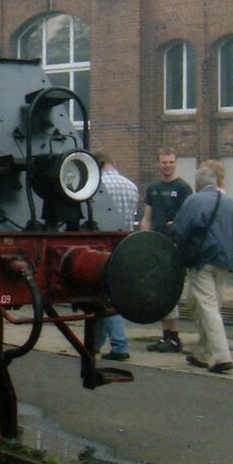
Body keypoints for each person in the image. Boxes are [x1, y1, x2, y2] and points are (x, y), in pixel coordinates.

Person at [170, 160, 233, 374]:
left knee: (207, 306)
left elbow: (181, 231)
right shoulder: (231, 203)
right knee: (197, 301)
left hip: (203, 260)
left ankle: (221, 356)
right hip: (225, 261)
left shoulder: (195, 200)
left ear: (198, 184)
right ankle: (202, 352)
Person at [140, 147, 194, 352]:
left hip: (174, 248)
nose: (167, 166)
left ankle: (174, 338)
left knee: (170, 290)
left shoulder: (183, 188)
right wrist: (145, 238)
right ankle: (167, 336)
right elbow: (147, 217)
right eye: (164, 162)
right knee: (159, 291)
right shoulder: (153, 188)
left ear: (176, 163)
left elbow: (187, 218)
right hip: (156, 245)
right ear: (158, 163)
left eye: (171, 162)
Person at [94, 152, 139, 360]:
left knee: (107, 297)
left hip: (102, 246)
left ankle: (120, 345)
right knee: (103, 295)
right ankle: (95, 343)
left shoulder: (96, 185)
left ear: (98, 164)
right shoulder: (131, 186)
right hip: (125, 246)